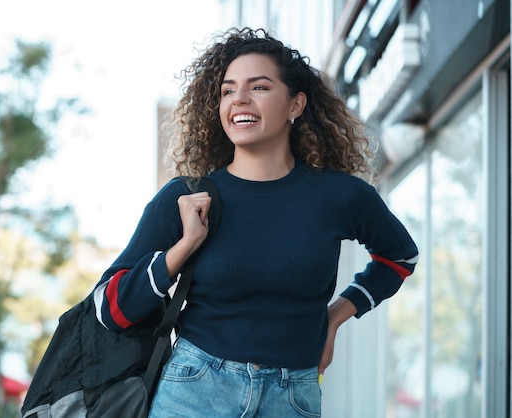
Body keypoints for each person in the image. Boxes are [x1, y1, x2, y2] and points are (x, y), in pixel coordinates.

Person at [93, 27, 418, 417]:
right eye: (228, 90)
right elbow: (108, 309)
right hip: (194, 392)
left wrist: (333, 319)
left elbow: (400, 258)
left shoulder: (339, 196)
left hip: (292, 396)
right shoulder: (187, 198)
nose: (239, 99)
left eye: (259, 87)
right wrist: (181, 250)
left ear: (295, 105)